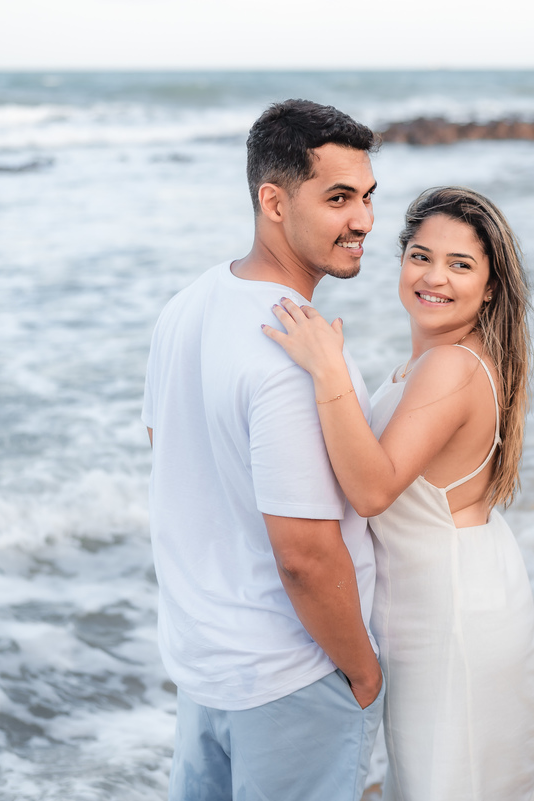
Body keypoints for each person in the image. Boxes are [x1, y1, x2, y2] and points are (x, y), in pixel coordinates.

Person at [264, 186, 534, 800]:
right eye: (421, 256)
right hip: (447, 604)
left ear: (492, 285)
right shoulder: (438, 361)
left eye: (461, 264)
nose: (434, 277)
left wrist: (328, 369)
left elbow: (371, 489)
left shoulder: (451, 367)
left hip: (452, 624)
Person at [141, 99, 383, 801]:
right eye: (338, 198)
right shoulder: (293, 353)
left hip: (204, 670)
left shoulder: (184, 308)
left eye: (367, 197)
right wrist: (363, 672)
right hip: (291, 679)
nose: (363, 220)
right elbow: (305, 554)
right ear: (272, 201)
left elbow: (173, 460)